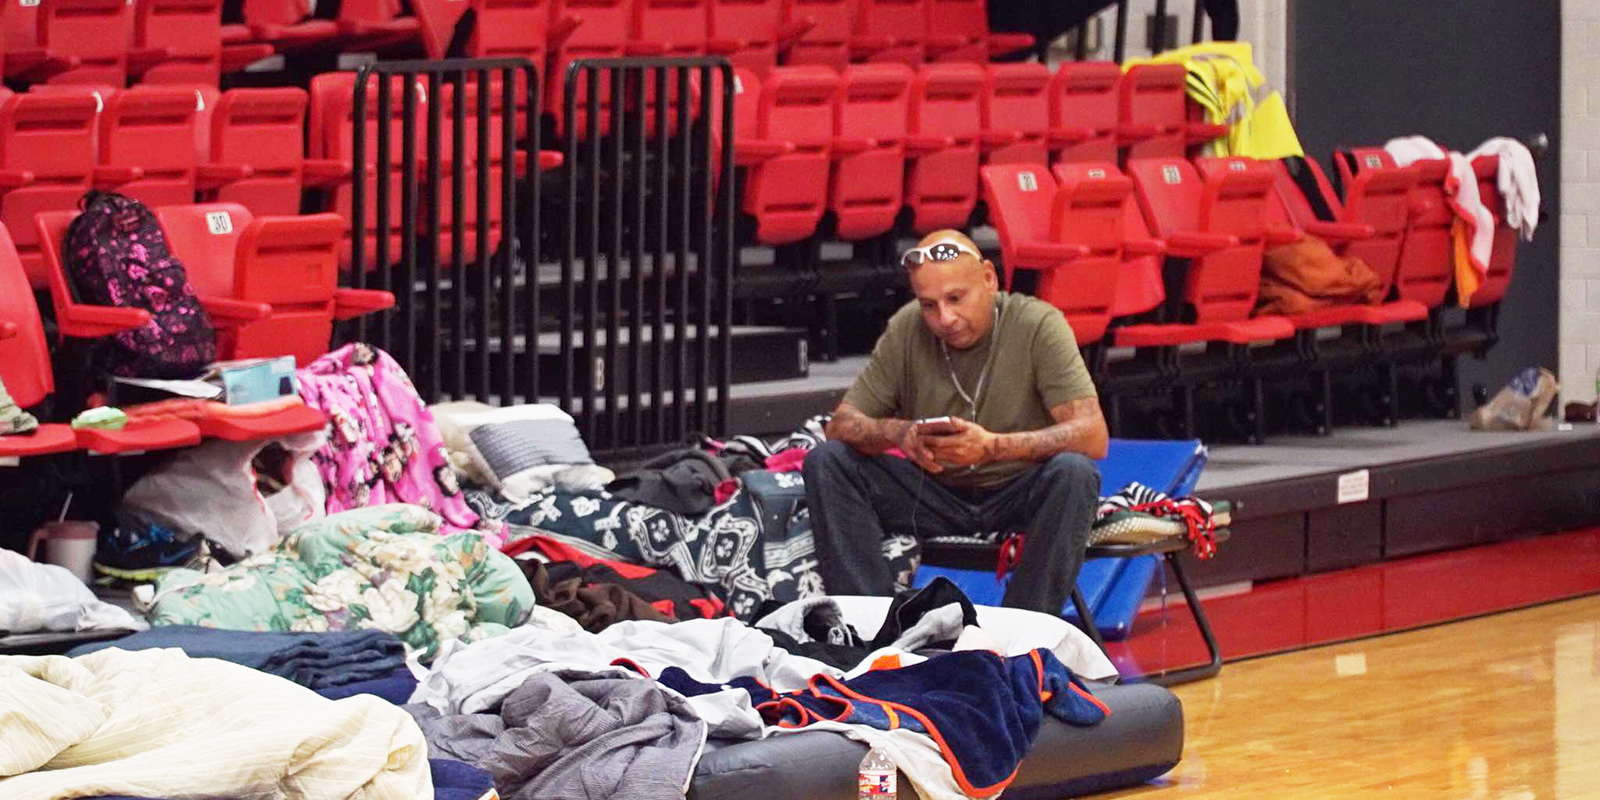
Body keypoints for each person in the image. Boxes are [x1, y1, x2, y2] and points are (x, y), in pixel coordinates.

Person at [803, 229, 1108, 615]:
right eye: (929, 305)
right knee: (828, 461)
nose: (944, 318)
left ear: (988, 278)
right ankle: (874, 625)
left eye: (955, 299)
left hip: (1015, 488)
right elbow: (841, 424)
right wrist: (901, 433)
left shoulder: (1038, 324)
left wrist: (993, 446)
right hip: (932, 490)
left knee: (1075, 473)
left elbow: (1093, 435)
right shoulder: (906, 327)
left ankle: (1024, 630)